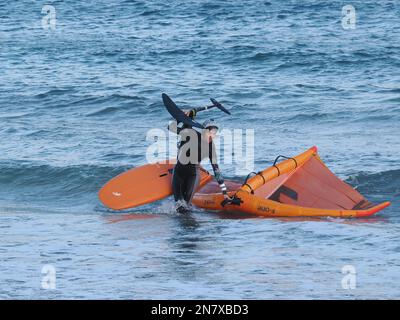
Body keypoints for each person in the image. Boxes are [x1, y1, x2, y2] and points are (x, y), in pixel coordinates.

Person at [168, 111, 230, 213]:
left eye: (215, 133)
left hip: (193, 174)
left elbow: (216, 169)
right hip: (178, 171)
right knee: (178, 203)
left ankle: (191, 226)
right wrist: (180, 117)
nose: (214, 135)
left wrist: (224, 192)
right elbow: (171, 128)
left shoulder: (211, 148)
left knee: (185, 207)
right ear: (205, 131)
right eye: (212, 132)